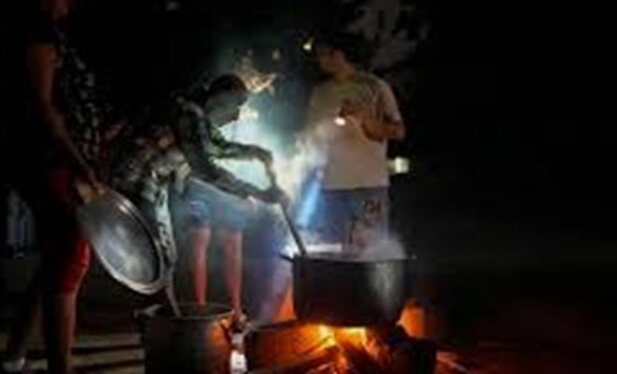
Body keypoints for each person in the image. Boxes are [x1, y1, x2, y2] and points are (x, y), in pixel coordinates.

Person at [0, 0, 112, 373]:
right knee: (71, 258)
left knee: (54, 260)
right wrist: (80, 162)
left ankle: (13, 357)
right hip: (52, 161)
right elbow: (45, 109)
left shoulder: (51, 32)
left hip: (59, 159)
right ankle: (62, 366)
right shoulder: (35, 32)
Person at [111, 74, 284, 326]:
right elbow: (205, 167)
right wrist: (257, 192)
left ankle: (166, 320)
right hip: (136, 178)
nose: (235, 115)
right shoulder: (188, 113)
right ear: (218, 98)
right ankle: (159, 323)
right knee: (155, 253)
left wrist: (257, 153)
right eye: (235, 105)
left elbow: (219, 147)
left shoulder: (199, 117)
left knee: (165, 255)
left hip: (155, 184)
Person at [305, 33, 406, 251]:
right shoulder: (320, 93)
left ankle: (375, 285)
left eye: (322, 54)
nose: (318, 60)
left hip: (368, 184)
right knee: (335, 254)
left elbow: (398, 131)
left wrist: (363, 118)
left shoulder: (375, 87)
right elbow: (312, 135)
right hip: (332, 186)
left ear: (338, 55)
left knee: (371, 252)